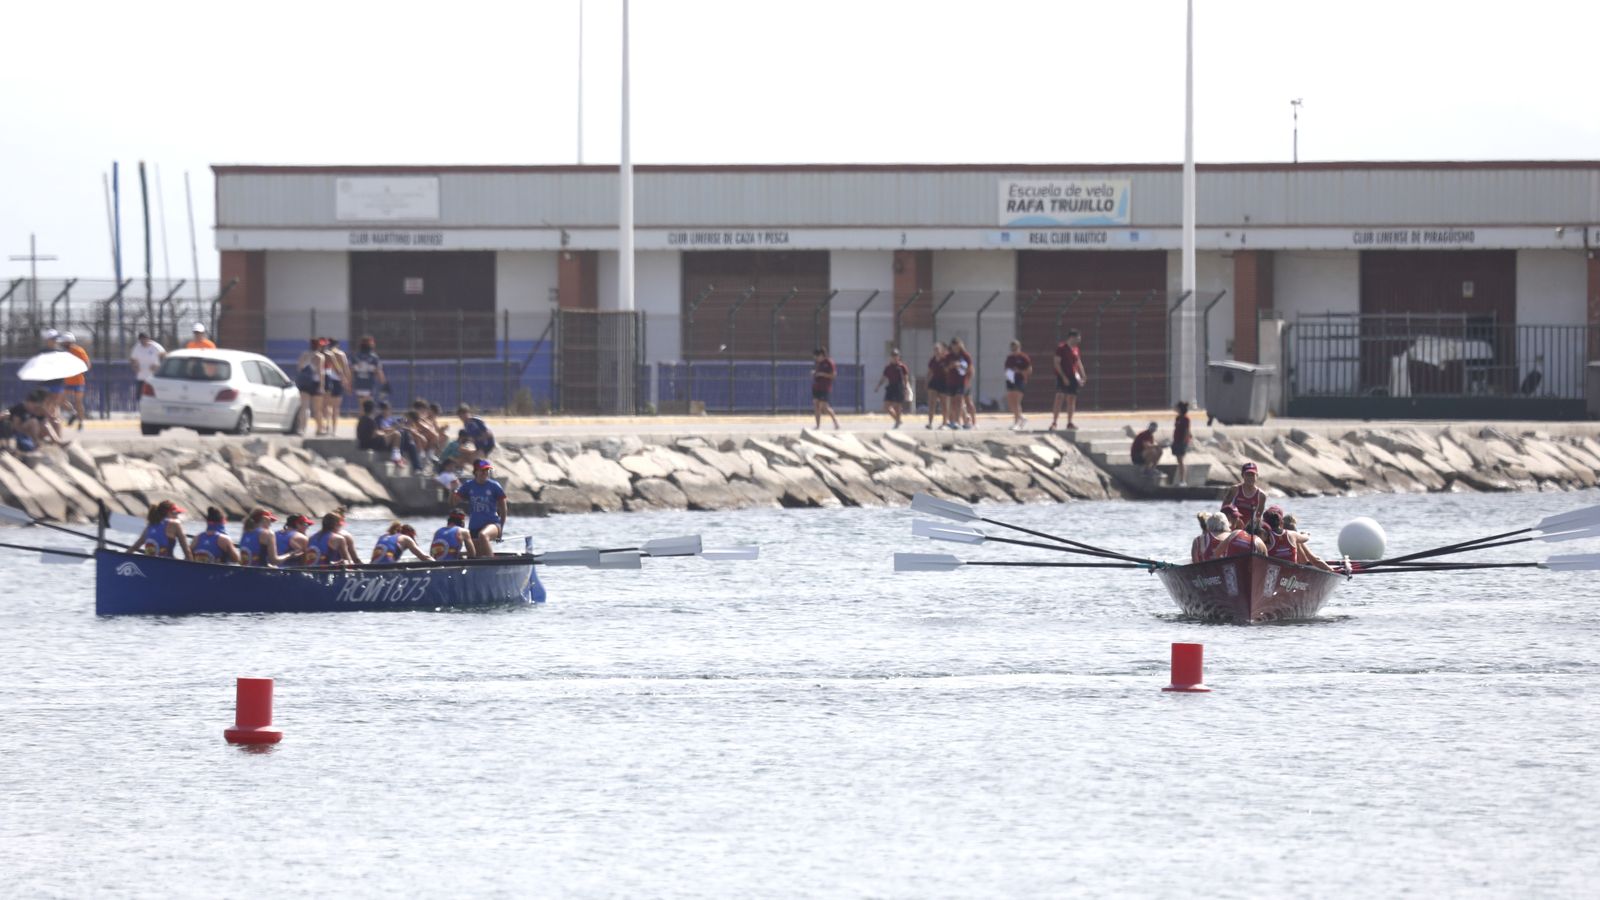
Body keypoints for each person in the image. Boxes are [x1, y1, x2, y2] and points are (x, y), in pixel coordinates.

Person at [455, 458, 508, 558]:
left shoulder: (495, 486)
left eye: (487, 470)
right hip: (474, 526)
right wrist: (452, 489)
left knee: (483, 535)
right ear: (476, 472)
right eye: (482, 470)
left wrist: (501, 529)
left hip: (493, 524)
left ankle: (493, 565)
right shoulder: (468, 485)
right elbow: (453, 502)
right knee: (475, 556)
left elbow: (503, 509)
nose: (485, 473)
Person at [1048, 329, 1087, 431]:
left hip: (1073, 377)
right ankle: (1054, 422)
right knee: (1059, 397)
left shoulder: (1076, 349)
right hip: (1062, 376)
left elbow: (1078, 362)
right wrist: (1063, 377)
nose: (1079, 340)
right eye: (1077, 338)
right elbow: (1056, 363)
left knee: (1071, 399)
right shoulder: (1061, 348)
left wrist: (1083, 374)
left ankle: (1069, 422)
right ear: (1071, 337)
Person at [1192, 510, 1266, 562]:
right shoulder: (1234, 535)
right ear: (1226, 524)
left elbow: (1195, 563)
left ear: (1208, 525)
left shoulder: (1198, 540)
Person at [1222, 462, 1267, 534]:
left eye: (1252, 475)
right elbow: (1223, 510)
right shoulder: (1234, 489)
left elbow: (1258, 517)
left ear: (1257, 476)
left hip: (1248, 530)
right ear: (1243, 475)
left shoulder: (1261, 495)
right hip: (1233, 528)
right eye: (1248, 475)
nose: (1250, 478)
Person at [58, 332, 91, 429]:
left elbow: (87, 364)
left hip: (78, 380)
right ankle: (74, 413)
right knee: (61, 400)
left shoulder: (78, 351)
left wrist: (80, 371)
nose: (62, 344)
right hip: (66, 380)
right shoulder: (62, 352)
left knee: (78, 402)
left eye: (64, 342)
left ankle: (81, 422)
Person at [294, 338, 326, 435]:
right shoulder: (320, 357)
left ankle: (302, 429)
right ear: (319, 346)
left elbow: (299, 368)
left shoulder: (304, 355)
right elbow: (321, 372)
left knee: (304, 407)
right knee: (317, 409)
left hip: (304, 383)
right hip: (315, 383)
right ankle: (320, 429)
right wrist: (322, 386)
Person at [321, 338, 351, 436]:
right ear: (337, 345)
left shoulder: (324, 354)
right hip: (338, 380)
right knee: (336, 407)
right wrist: (347, 382)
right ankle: (334, 430)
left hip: (327, 379)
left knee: (326, 405)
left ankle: (327, 426)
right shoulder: (341, 354)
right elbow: (345, 369)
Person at [874, 348, 910, 429]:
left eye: (896, 355)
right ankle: (897, 419)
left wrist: (905, 387)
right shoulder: (888, 367)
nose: (894, 357)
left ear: (899, 357)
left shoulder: (902, 367)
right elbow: (883, 378)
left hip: (899, 386)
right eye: (893, 356)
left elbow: (905, 378)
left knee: (897, 406)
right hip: (891, 386)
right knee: (886, 407)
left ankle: (897, 422)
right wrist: (878, 386)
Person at [129, 332, 167, 407]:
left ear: (148, 339)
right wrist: (135, 366)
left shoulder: (155, 346)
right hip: (141, 377)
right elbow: (132, 359)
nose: (143, 341)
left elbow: (165, 356)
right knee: (140, 397)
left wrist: (158, 367)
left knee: (155, 396)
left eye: (145, 339)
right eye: (141, 340)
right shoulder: (137, 347)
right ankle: (142, 412)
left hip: (154, 377)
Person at [946, 338, 975, 430]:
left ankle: (958, 421)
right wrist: (952, 366)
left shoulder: (965, 356)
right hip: (952, 381)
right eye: (953, 345)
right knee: (953, 402)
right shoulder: (949, 356)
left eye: (957, 345)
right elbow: (945, 369)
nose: (955, 347)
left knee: (959, 400)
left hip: (962, 381)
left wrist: (968, 379)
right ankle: (954, 420)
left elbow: (970, 369)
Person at [809, 348, 840, 431]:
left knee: (824, 407)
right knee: (816, 405)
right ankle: (817, 425)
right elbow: (817, 373)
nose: (816, 358)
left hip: (825, 388)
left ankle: (835, 422)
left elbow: (833, 375)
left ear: (822, 355)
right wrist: (814, 373)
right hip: (816, 387)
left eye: (817, 356)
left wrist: (822, 374)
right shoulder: (819, 364)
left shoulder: (829, 362)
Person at [1003, 339, 1031, 432]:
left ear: (1019, 348)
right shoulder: (1009, 358)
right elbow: (1006, 368)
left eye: (1015, 348)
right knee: (1011, 402)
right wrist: (1008, 375)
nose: (1014, 350)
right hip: (1011, 380)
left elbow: (1029, 370)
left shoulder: (1024, 357)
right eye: (1012, 348)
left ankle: (1017, 422)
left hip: (1020, 380)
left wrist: (1020, 371)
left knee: (1016, 401)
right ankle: (1021, 417)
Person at [350, 336, 387, 404]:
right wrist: (384, 383)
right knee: (369, 406)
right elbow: (379, 371)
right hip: (369, 385)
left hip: (359, 384)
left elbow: (351, 371)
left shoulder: (355, 356)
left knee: (362, 405)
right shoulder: (374, 357)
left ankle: (363, 414)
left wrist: (350, 384)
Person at [924, 342, 948, 430]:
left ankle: (944, 422)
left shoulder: (945, 360)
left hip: (943, 382)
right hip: (934, 382)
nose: (936, 351)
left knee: (943, 403)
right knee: (932, 403)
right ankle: (930, 423)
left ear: (941, 350)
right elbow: (930, 372)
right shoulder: (932, 360)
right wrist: (926, 381)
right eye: (935, 349)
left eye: (938, 349)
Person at [1172, 401, 1193, 486]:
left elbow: (1187, 431)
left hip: (1181, 442)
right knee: (1179, 460)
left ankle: (1183, 480)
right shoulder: (1178, 418)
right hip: (1176, 441)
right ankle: (1182, 479)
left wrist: (1185, 441)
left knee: (1181, 461)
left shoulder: (1185, 419)